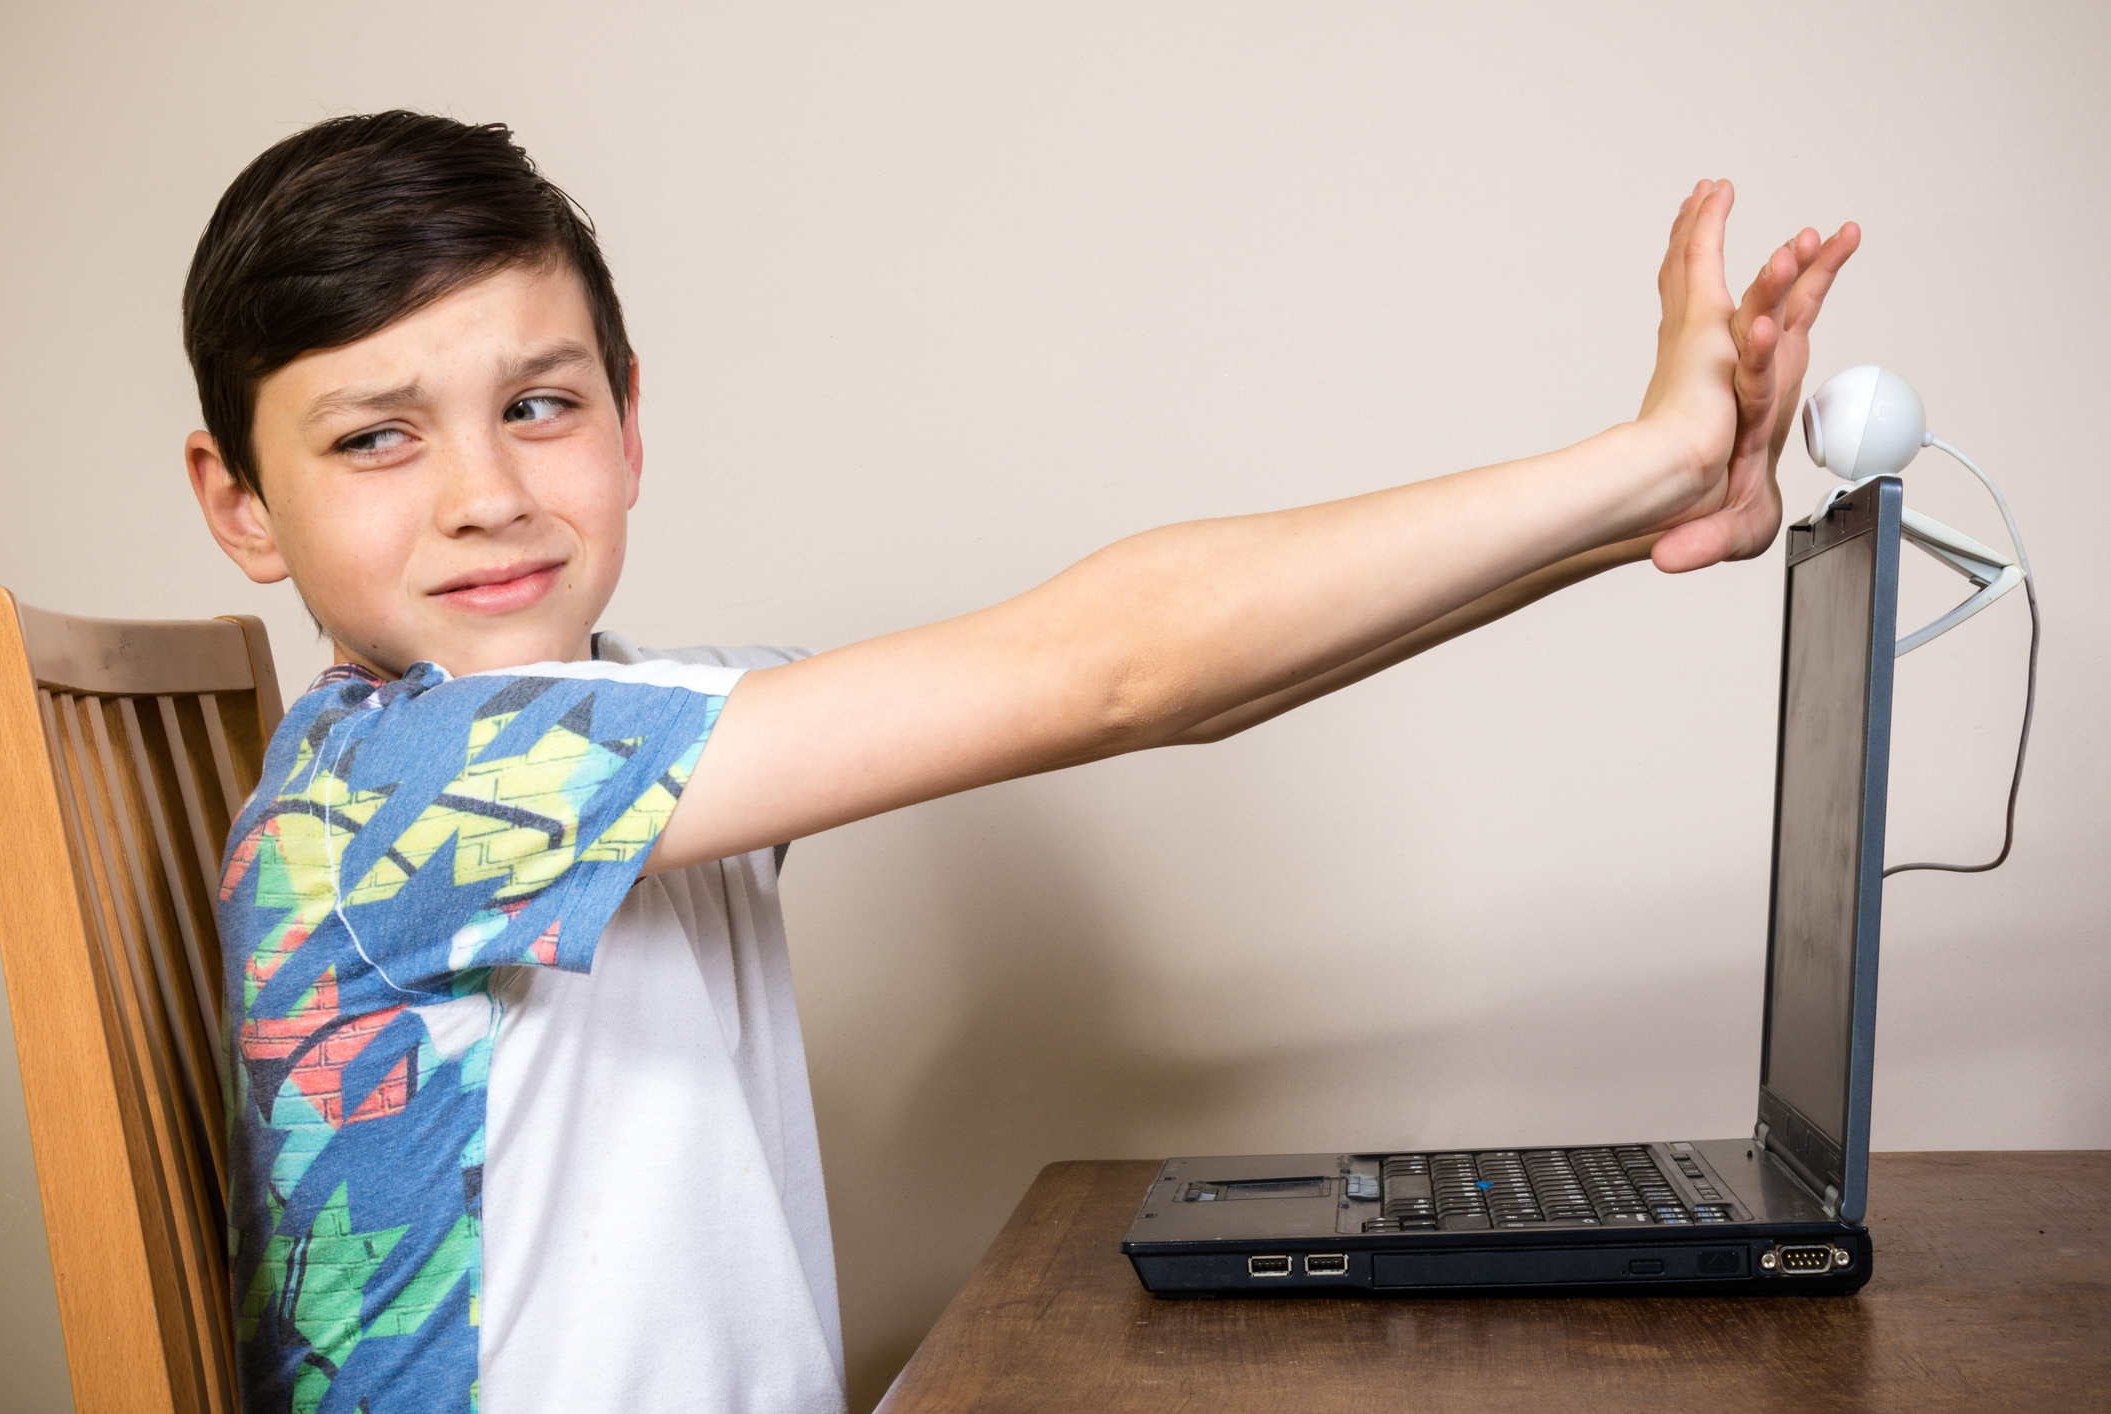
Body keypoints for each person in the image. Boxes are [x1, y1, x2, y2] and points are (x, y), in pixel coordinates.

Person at [183, 110, 1856, 1413]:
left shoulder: (638, 720)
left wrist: (1642, 519)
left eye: (536, 405)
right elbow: (1119, 667)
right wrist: (1640, 454)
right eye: (375, 435)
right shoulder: (405, 792)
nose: (483, 488)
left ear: (629, 416)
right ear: (237, 502)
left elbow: (1179, 690)